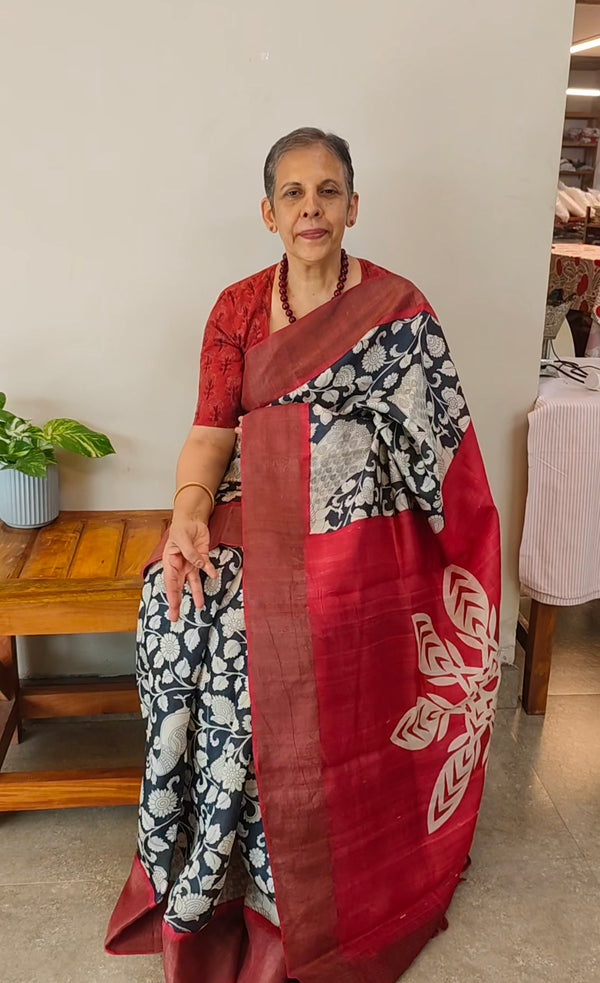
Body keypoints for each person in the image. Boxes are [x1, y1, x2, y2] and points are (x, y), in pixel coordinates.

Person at [106, 127, 501, 983]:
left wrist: (333, 449)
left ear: (353, 207)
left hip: (363, 533)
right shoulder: (239, 308)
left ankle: (303, 890)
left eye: (328, 192)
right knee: (180, 614)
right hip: (250, 512)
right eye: (293, 193)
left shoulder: (399, 313)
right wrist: (187, 515)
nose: (311, 209)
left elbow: (442, 456)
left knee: (275, 639)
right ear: (268, 212)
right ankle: (208, 872)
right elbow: (211, 433)